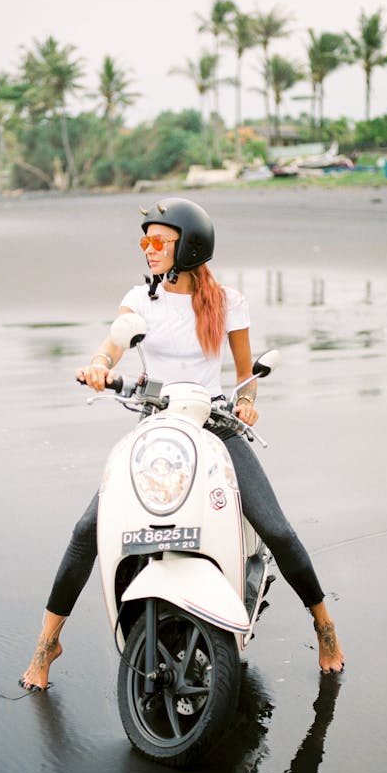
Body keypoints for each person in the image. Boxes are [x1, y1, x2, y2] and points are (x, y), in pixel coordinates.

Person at [20, 198, 344, 692]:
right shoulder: (140, 299)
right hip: (157, 425)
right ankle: (47, 643)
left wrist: (248, 402)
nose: (147, 249)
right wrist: (98, 366)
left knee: (275, 528)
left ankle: (323, 625)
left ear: (188, 247)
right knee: (89, 528)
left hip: (214, 423)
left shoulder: (228, 302)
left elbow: (243, 374)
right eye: (144, 240)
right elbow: (112, 344)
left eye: (158, 241)